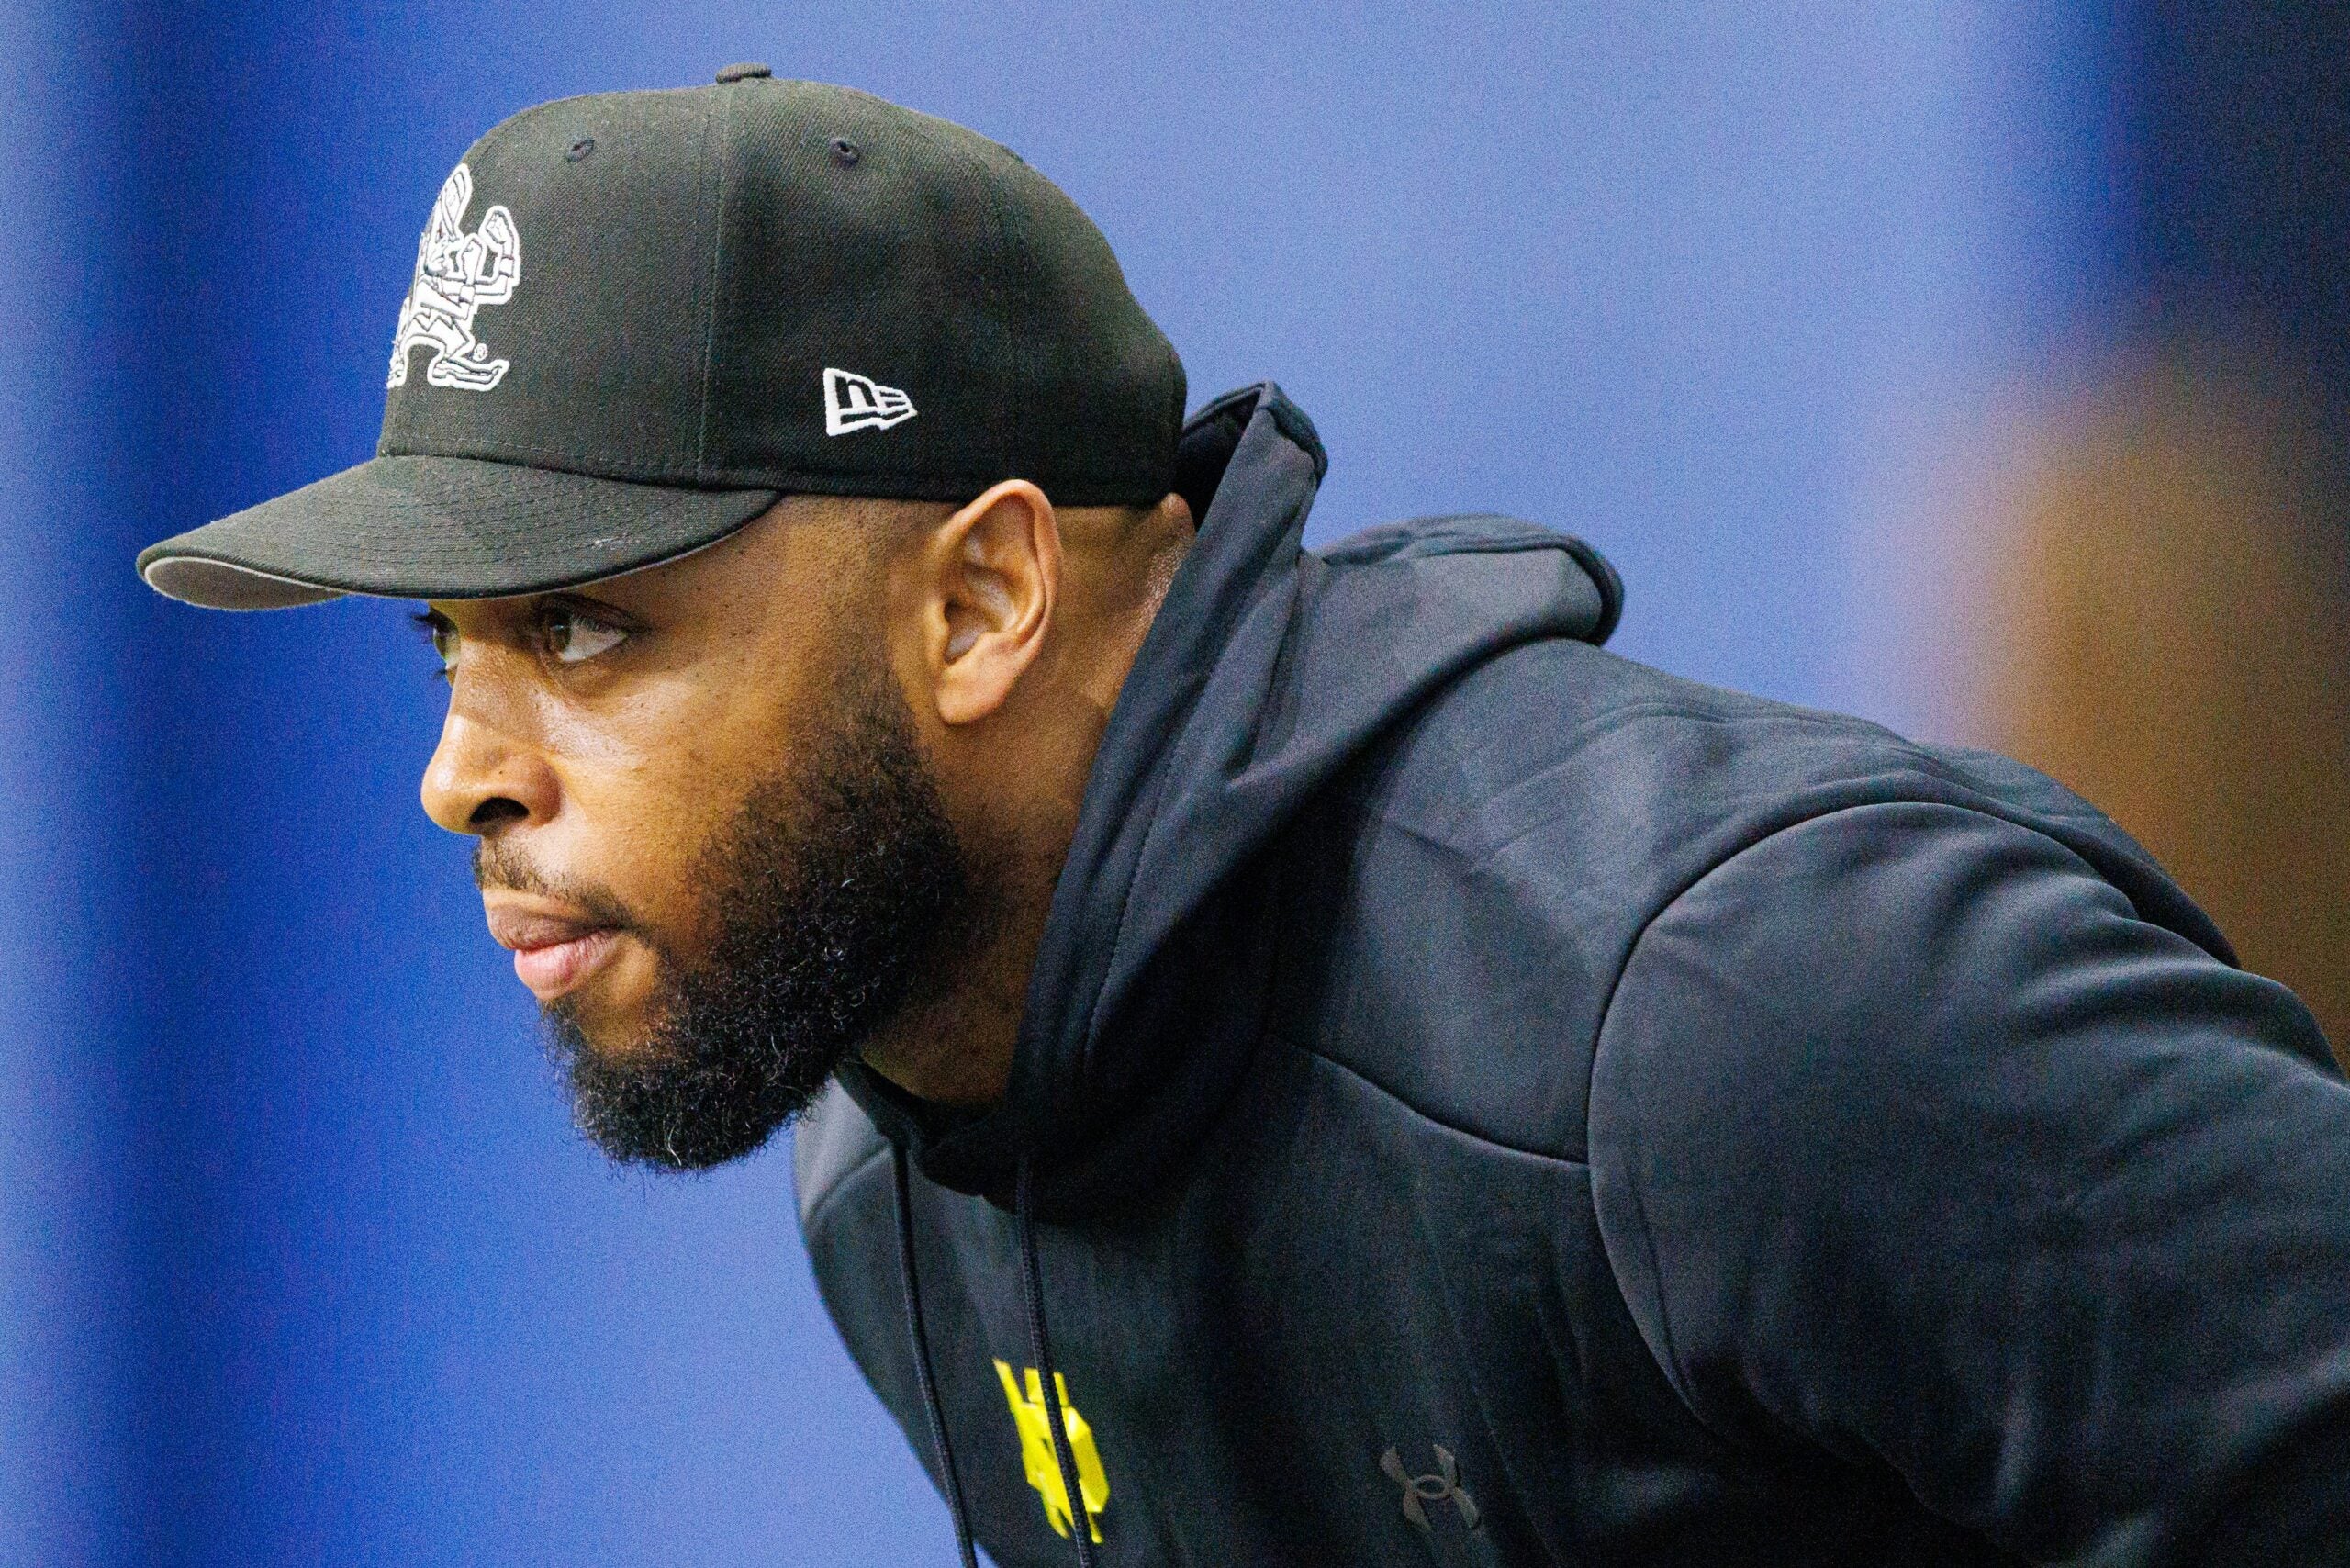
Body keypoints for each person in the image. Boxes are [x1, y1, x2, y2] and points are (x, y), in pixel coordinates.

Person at [137, 73, 2350, 1566]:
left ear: (984, 596)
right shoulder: (889, 1171)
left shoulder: (1731, 1011)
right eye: (448, 646)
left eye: (589, 628)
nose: (464, 767)